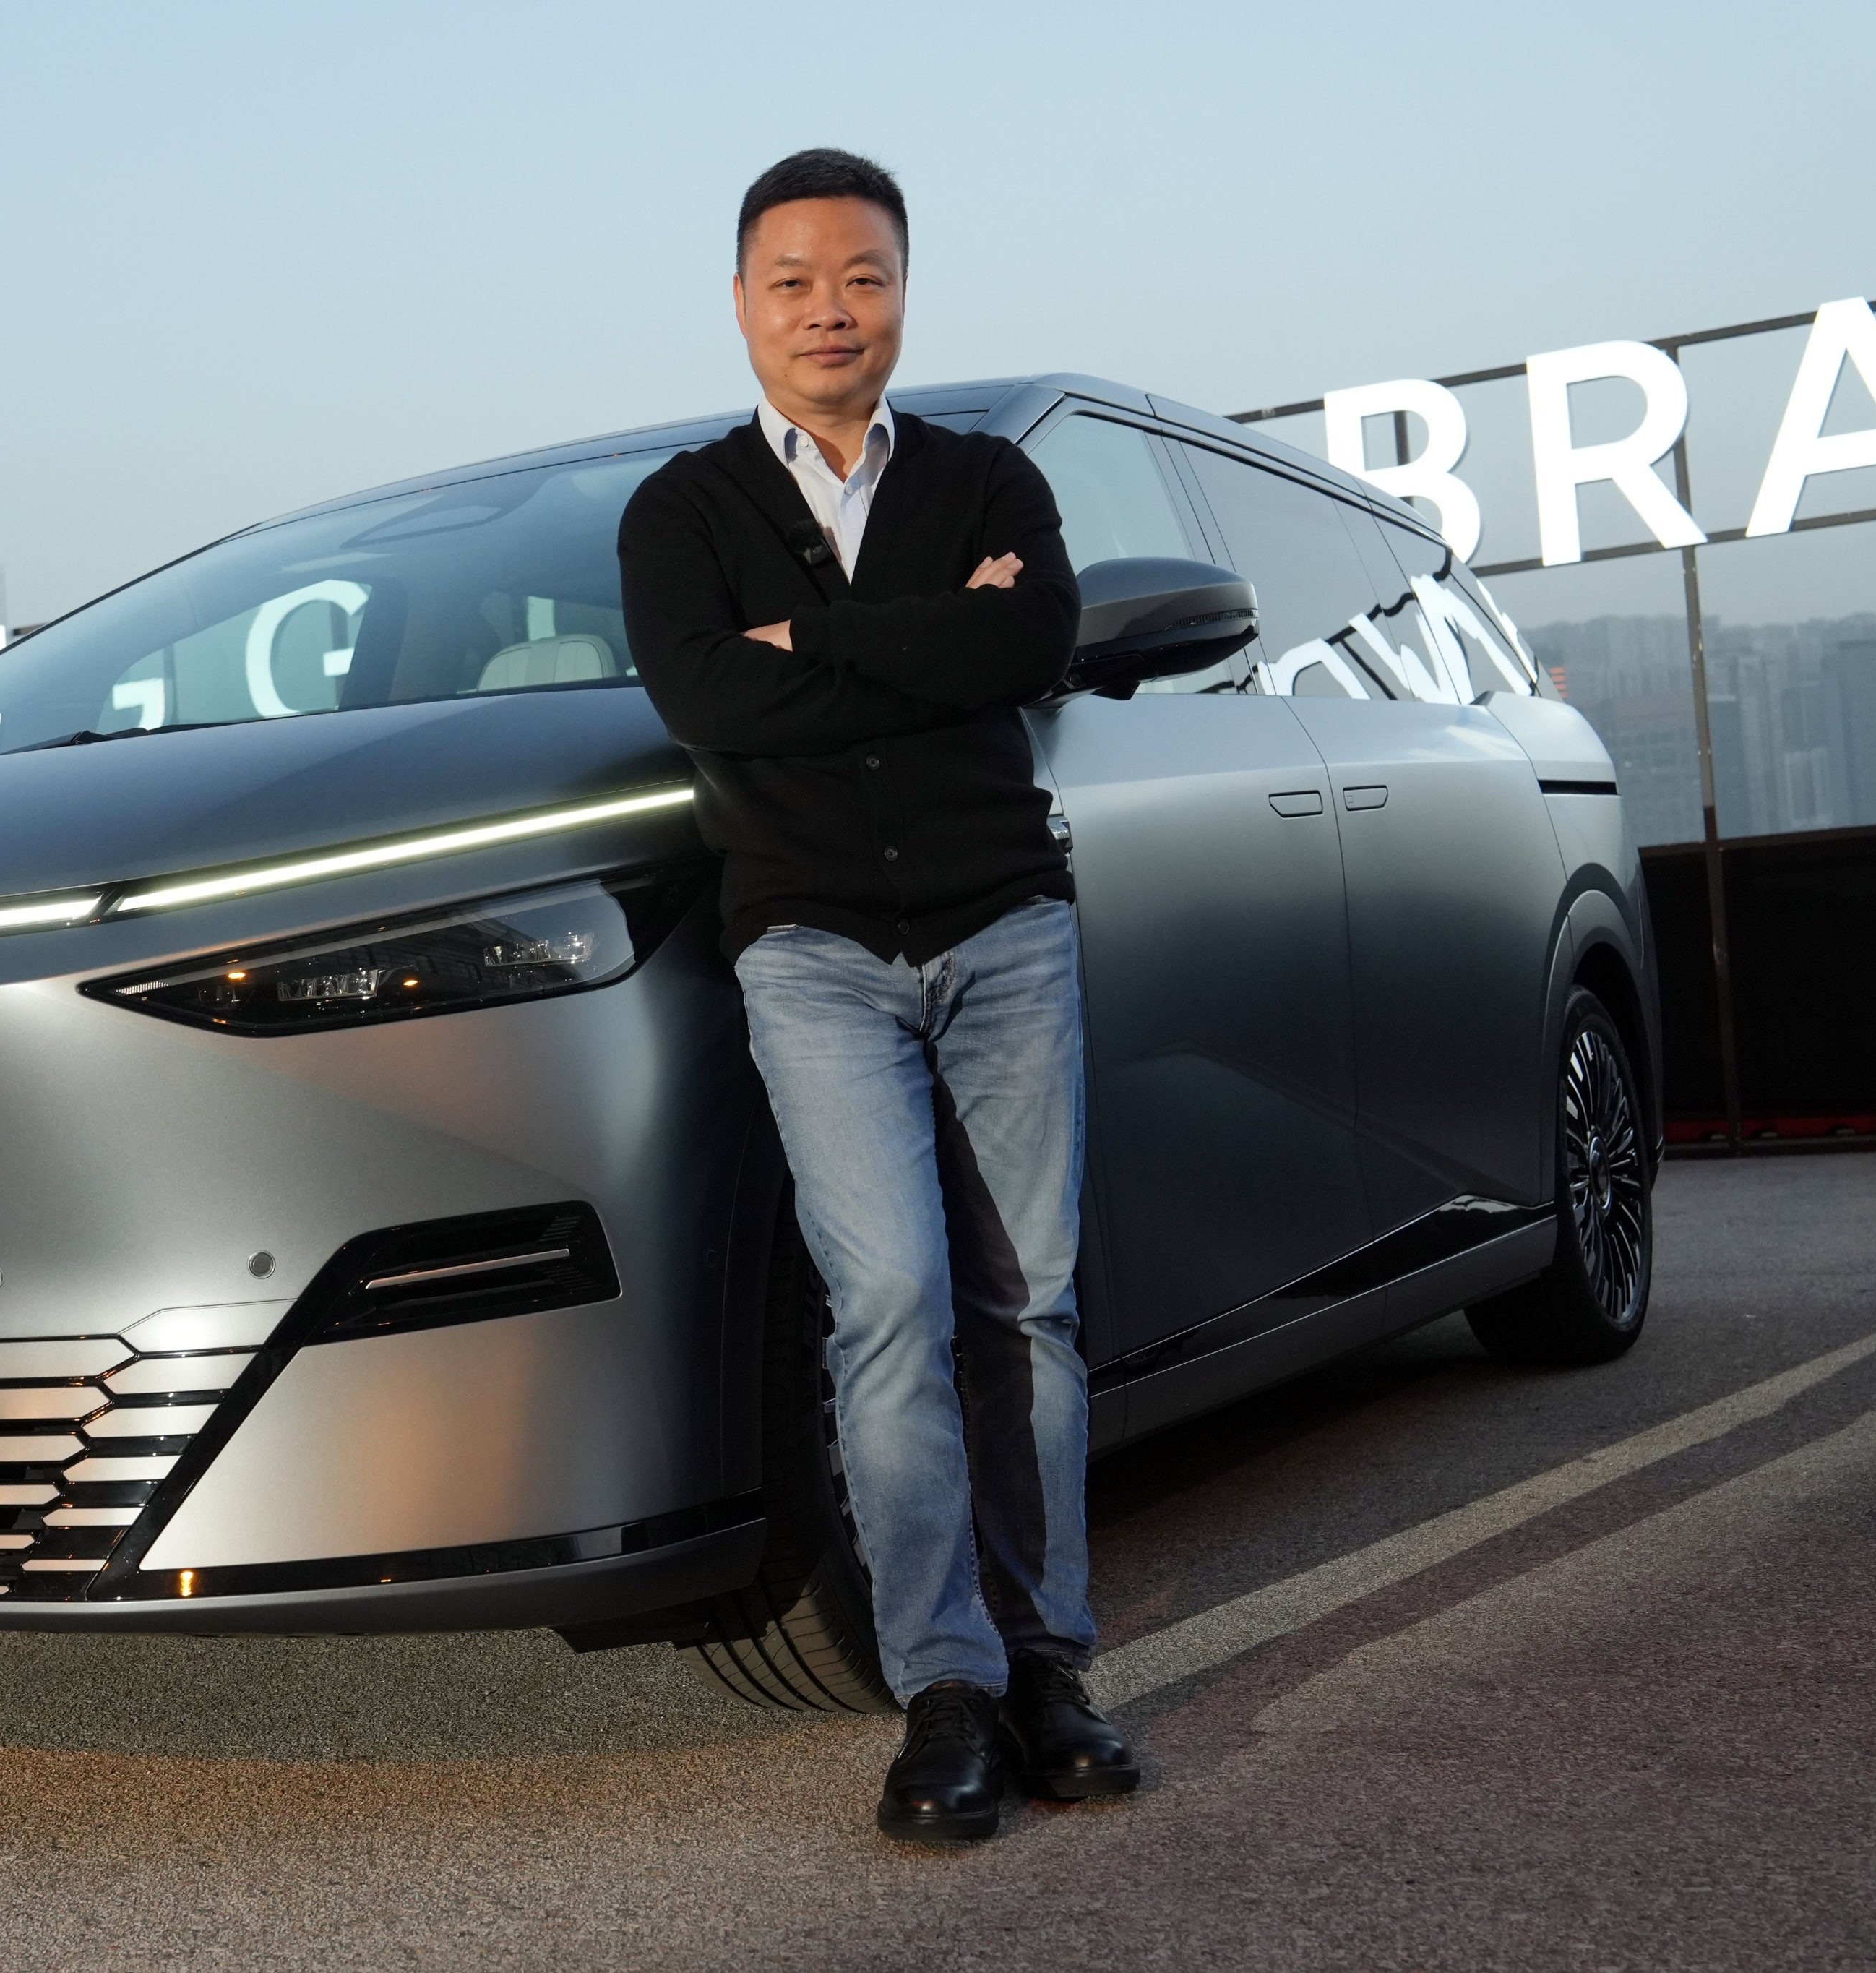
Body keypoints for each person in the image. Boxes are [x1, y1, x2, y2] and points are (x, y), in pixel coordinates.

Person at [617, 147, 1137, 1844]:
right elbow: (711, 703)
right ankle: (947, 1689)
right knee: (895, 1307)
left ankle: (1051, 1669)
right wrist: (924, 637)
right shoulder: (680, 512)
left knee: (1027, 1310)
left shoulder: (989, 477)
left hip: (1004, 929)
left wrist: (814, 647)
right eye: (793, 280)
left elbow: (1031, 646)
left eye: (863, 277)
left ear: (902, 291)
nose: (829, 310)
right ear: (742, 302)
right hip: (812, 953)